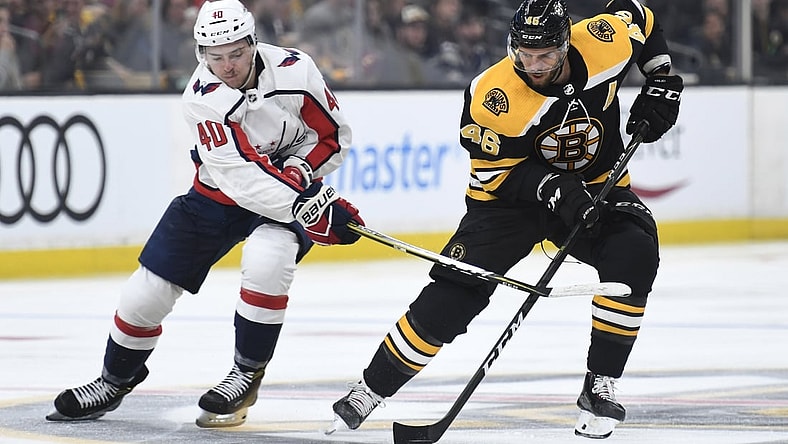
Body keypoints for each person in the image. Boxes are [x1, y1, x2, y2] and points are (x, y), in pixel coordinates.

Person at [328, 0, 682, 439]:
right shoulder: (492, 95)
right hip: (508, 202)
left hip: (594, 188)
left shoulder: (604, 39)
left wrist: (661, 80)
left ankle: (599, 385)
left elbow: (641, 17)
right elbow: (496, 175)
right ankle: (370, 389)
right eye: (524, 54)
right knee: (454, 294)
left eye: (546, 56)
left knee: (635, 254)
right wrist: (553, 188)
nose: (533, 66)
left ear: (566, 44)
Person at [46, 0, 364, 428]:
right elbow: (241, 179)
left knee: (267, 260)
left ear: (253, 43)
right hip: (219, 196)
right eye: (216, 57)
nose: (228, 66)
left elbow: (333, 136)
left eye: (236, 53)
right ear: (201, 55)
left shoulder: (295, 69)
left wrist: (302, 169)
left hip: (288, 189)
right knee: (145, 293)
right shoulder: (202, 98)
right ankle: (113, 380)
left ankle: (246, 373)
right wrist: (304, 208)